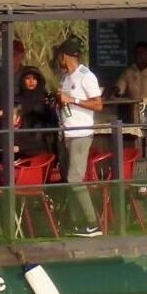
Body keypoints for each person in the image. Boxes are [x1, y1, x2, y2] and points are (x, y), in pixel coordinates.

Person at [54, 36, 103, 236]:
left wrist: (72, 99)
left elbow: (98, 104)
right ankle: (77, 222)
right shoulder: (66, 78)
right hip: (66, 132)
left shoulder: (86, 76)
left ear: (65, 56)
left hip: (81, 134)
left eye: (59, 55)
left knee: (75, 178)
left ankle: (93, 222)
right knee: (69, 178)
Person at [12, 65, 57, 158]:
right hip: (20, 140)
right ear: (22, 80)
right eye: (28, 78)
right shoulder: (16, 99)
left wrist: (51, 107)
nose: (31, 81)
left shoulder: (46, 98)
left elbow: (53, 121)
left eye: (34, 78)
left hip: (43, 140)